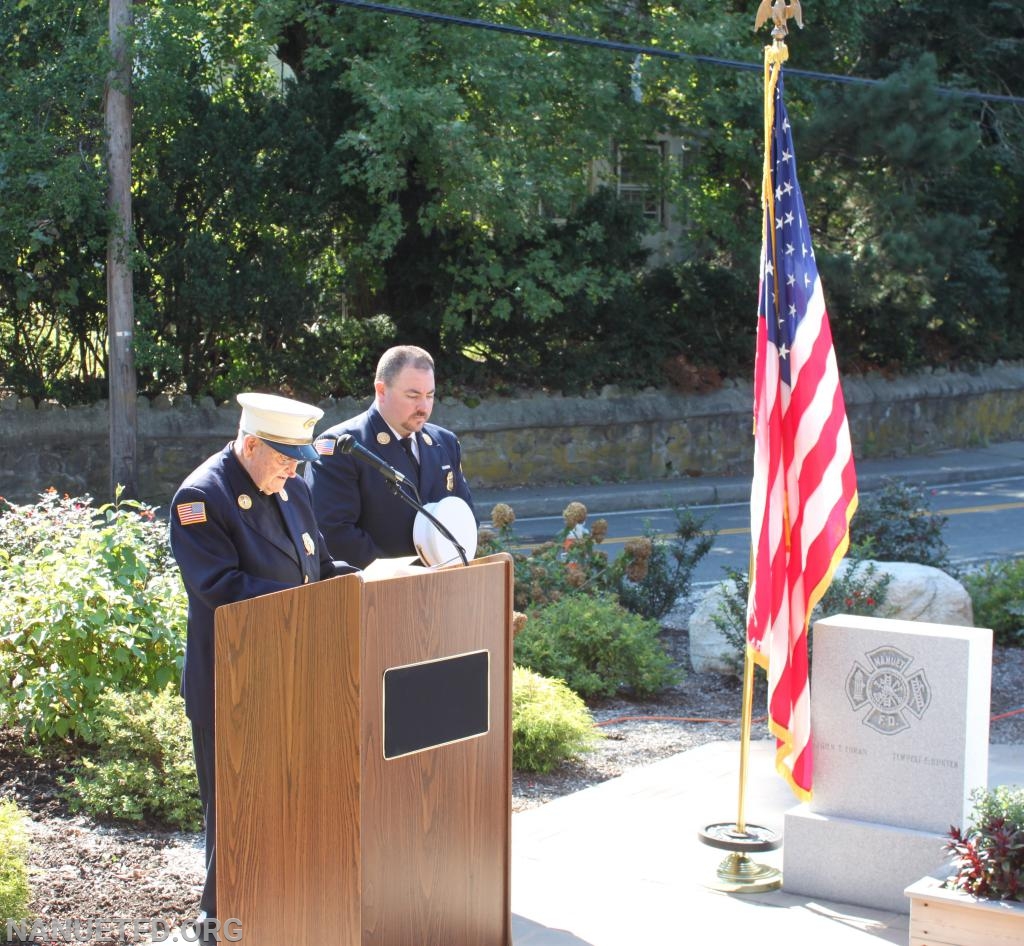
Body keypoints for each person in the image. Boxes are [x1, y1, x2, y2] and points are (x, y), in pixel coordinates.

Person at [169, 392, 357, 936]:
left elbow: (317, 564)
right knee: (232, 820)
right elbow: (219, 587)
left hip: (295, 676)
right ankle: (217, 927)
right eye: (282, 456)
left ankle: (278, 917)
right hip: (234, 686)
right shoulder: (202, 497)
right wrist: (308, 602)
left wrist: (366, 579)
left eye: (298, 458)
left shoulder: (292, 485)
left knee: (288, 809)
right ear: (250, 444)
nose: (294, 468)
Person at [305, 345, 475, 568]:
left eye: (430, 395)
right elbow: (333, 532)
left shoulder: (444, 443)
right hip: (376, 592)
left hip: (442, 586)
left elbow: (464, 516)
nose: (423, 407)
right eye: (413, 395)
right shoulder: (342, 446)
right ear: (381, 391)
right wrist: (401, 574)